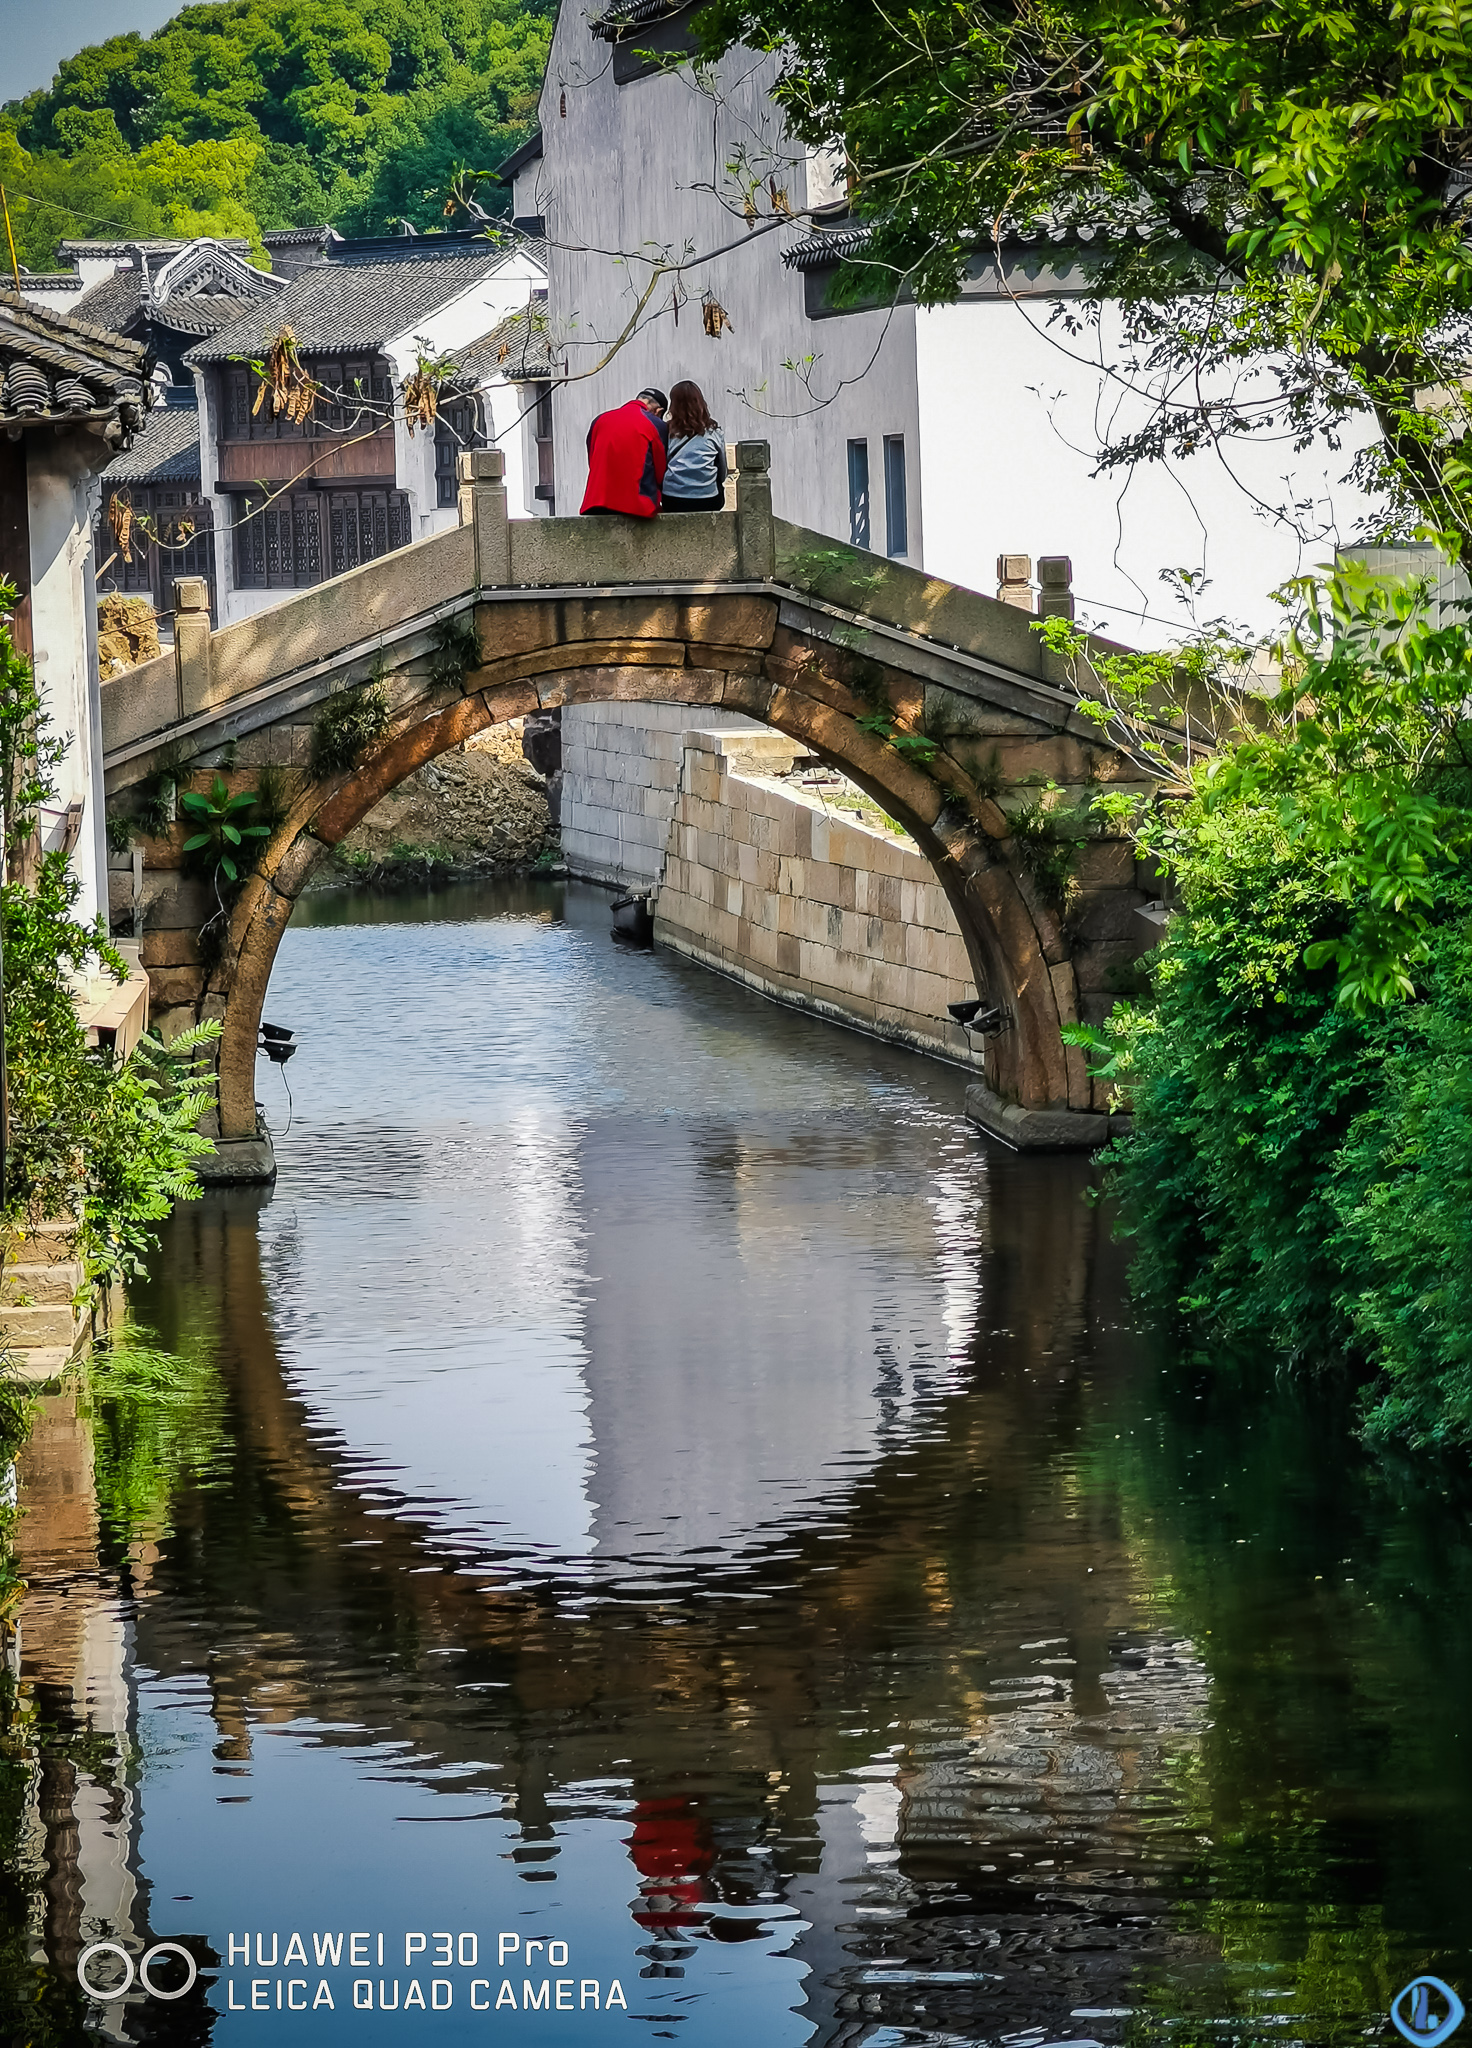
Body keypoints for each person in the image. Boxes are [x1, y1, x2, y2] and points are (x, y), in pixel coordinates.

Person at [580, 388, 668, 518]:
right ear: (658, 411)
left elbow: (592, 459)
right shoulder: (656, 424)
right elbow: (661, 470)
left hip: (595, 503)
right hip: (637, 506)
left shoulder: (599, 420)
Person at [660, 381, 729, 511]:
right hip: (709, 499)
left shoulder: (667, 431)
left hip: (672, 499)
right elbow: (723, 471)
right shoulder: (714, 432)